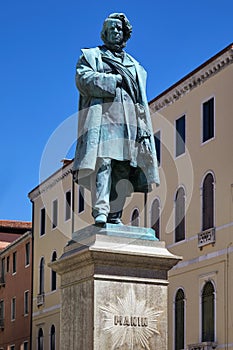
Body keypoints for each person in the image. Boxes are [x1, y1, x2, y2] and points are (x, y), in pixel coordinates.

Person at [73, 13, 160, 225]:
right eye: (111, 29)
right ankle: (101, 210)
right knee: (103, 161)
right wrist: (114, 80)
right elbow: (83, 79)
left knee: (123, 166)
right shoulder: (92, 56)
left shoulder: (135, 65)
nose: (115, 32)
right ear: (104, 33)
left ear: (125, 33)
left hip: (129, 121)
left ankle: (115, 213)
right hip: (103, 118)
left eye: (118, 29)